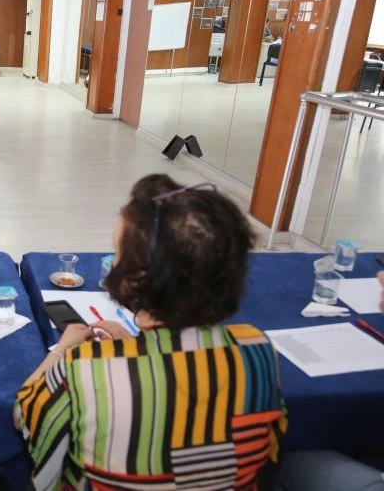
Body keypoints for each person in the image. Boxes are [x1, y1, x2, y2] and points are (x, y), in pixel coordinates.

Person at [15, 174, 287, 490]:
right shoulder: (256, 348)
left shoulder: (84, 367)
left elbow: (25, 415)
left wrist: (63, 349)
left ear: (138, 278)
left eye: (117, 253)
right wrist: (136, 348)